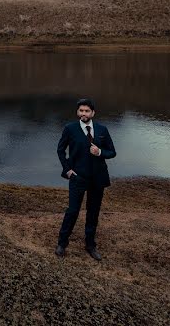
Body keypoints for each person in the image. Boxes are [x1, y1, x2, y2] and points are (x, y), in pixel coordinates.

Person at [55, 98, 116, 261]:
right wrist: (67, 169)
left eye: (87, 111)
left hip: (98, 178)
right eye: (81, 111)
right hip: (77, 177)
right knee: (73, 211)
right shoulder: (70, 129)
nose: (84, 114)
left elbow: (112, 152)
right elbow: (60, 150)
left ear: (93, 113)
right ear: (77, 112)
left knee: (93, 212)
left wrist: (100, 152)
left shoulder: (102, 129)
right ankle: (62, 243)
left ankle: (90, 245)